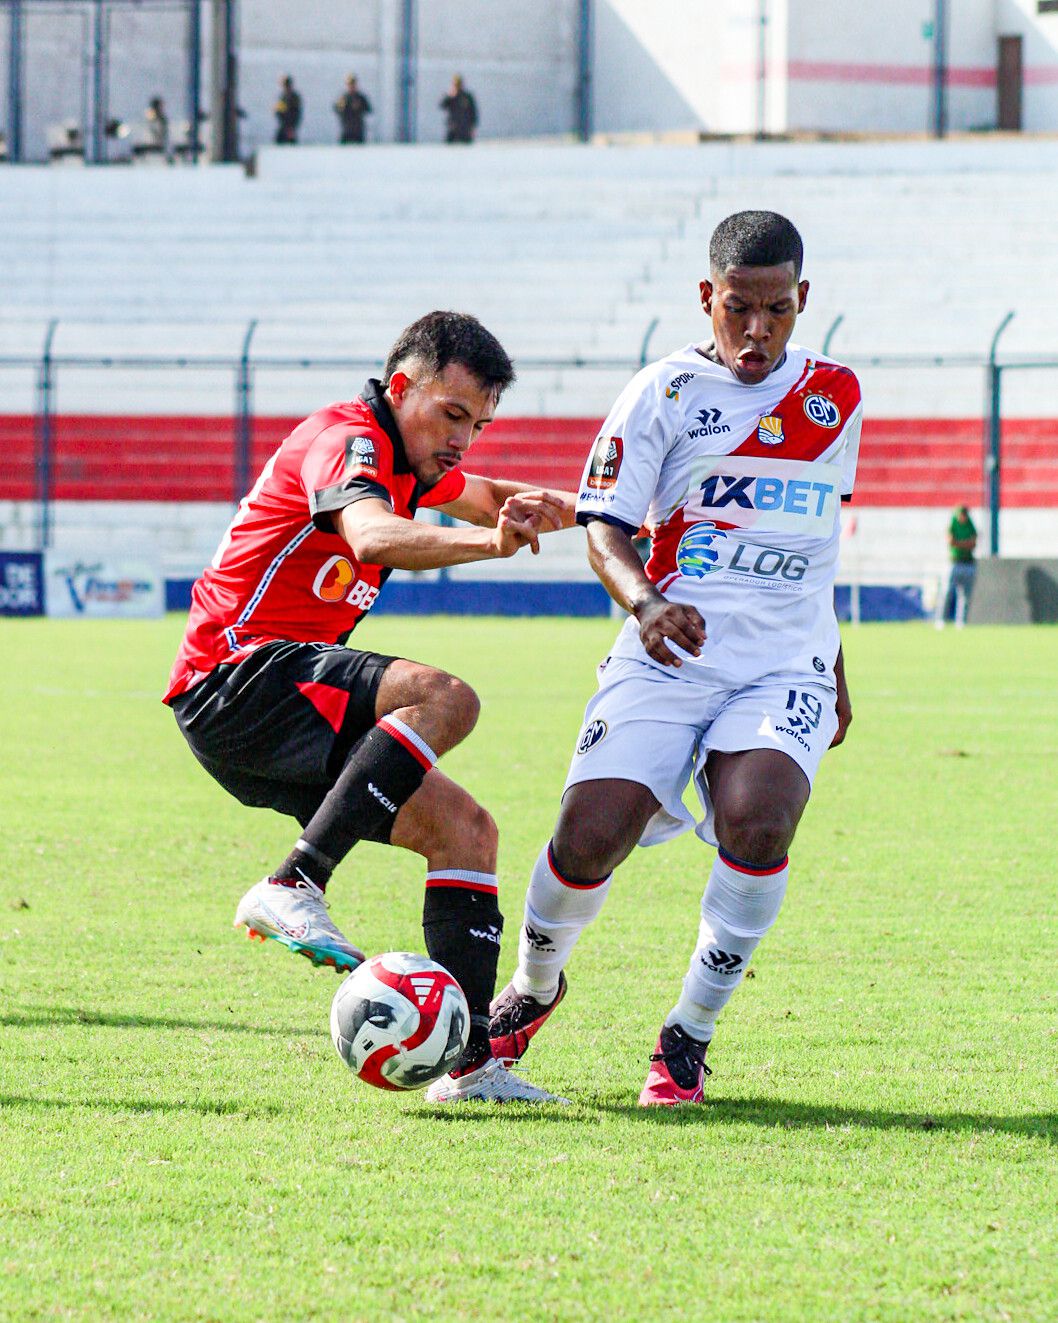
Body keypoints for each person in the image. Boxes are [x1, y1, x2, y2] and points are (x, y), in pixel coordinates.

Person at [488, 211, 862, 1105]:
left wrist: (836, 665)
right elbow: (603, 528)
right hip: (667, 650)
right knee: (588, 838)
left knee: (760, 819)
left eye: (777, 309)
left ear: (802, 300)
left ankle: (687, 1035)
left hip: (785, 664)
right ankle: (535, 989)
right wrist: (648, 604)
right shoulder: (661, 392)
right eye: (740, 308)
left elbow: (815, 545)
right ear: (708, 298)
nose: (758, 330)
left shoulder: (837, 396)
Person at [164, 311, 576, 1104]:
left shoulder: (413, 460)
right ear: (401, 388)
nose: (463, 437)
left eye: (479, 423)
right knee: (444, 697)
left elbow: (488, 495)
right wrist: (493, 541)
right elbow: (374, 536)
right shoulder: (349, 438)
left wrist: (601, 518)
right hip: (237, 676)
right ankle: (296, 882)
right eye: (452, 414)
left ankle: (471, 1068)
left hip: (282, 696)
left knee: (468, 831)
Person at [940, 505, 977, 627]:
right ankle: (941, 620)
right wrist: (964, 543)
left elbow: (973, 543)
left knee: (965, 595)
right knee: (947, 593)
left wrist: (959, 543)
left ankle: (961, 622)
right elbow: (951, 541)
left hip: (968, 563)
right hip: (954, 562)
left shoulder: (970, 526)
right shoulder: (952, 525)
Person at [440, 75, 478, 143]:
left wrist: (473, 127)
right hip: (453, 128)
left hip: (465, 129)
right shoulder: (451, 96)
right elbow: (442, 106)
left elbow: (473, 112)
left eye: (458, 84)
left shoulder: (467, 96)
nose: (457, 86)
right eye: (455, 84)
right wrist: (449, 96)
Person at [334, 75, 372, 144]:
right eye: (350, 84)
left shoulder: (360, 97)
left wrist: (360, 107)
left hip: (358, 130)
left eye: (353, 84)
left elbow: (368, 109)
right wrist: (341, 107)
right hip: (346, 130)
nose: (351, 86)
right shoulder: (344, 97)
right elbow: (336, 109)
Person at [274, 76, 302, 145]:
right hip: (283, 124)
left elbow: (296, 112)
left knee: (290, 143)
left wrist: (292, 125)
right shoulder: (283, 96)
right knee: (279, 141)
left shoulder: (294, 97)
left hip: (290, 125)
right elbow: (279, 111)